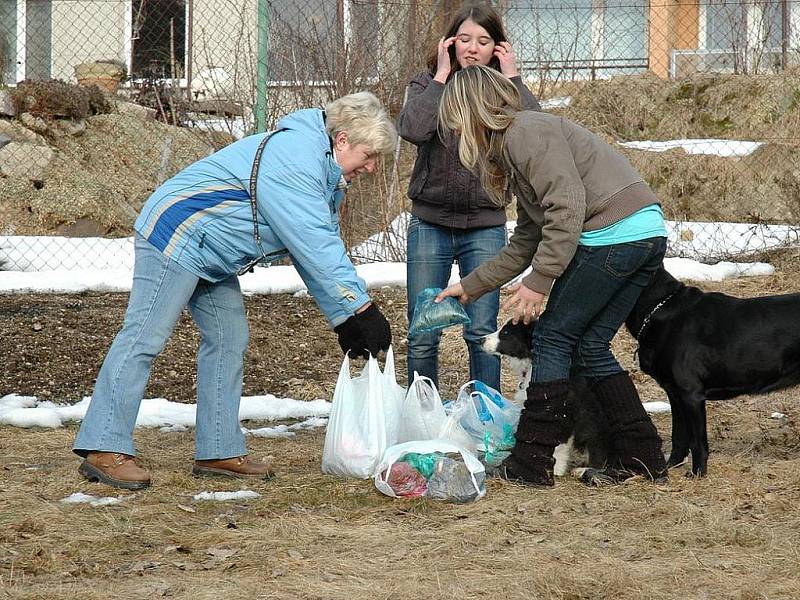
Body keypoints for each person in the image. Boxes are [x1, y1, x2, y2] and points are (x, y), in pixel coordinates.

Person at [73, 92, 396, 490]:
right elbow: (316, 245)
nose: (372, 167)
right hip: (177, 232)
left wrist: (344, 319)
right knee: (144, 337)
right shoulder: (297, 158)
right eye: (369, 154)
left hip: (213, 250)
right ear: (342, 139)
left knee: (229, 339)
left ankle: (218, 448)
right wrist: (361, 309)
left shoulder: (323, 172)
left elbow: (313, 253)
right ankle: (103, 446)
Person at [436, 65, 669, 487]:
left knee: (553, 338)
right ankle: (641, 457)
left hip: (614, 234)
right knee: (591, 346)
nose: (454, 133)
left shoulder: (526, 132)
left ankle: (532, 461)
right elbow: (528, 236)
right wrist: (471, 286)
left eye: (455, 121)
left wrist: (541, 280)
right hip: (643, 232)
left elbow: (567, 205)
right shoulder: (516, 144)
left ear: (471, 112)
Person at [397, 3, 540, 392]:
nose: (472, 48)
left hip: (485, 226)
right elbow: (412, 128)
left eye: (483, 40)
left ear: (497, 47)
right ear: (449, 43)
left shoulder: (501, 88)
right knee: (424, 328)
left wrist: (513, 78)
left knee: (481, 330)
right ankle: (422, 416)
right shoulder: (428, 82)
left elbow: (538, 133)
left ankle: (485, 417)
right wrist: (442, 76)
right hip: (431, 224)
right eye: (464, 39)